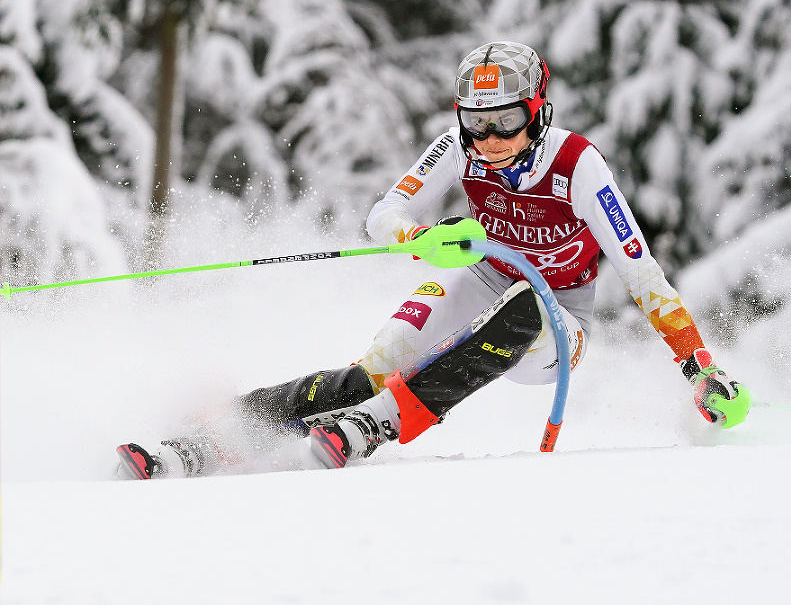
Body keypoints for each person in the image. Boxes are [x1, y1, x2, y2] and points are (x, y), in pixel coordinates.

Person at [116, 41, 751, 480]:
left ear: (538, 112)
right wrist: (417, 236)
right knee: (376, 367)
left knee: (527, 306)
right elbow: (385, 213)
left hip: (559, 320)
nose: (491, 142)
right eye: (477, 124)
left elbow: (641, 271)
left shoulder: (577, 164)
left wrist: (699, 367)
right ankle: (216, 434)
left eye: (506, 122)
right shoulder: (459, 147)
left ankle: (374, 427)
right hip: (483, 277)